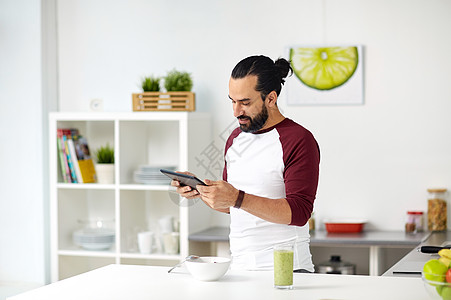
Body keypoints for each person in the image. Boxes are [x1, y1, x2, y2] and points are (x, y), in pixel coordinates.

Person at [172, 55, 320, 272]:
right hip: (240, 269)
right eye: (232, 101)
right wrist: (200, 191)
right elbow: (233, 206)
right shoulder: (235, 139)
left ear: (271, 98)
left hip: (288, 272)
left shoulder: (298, 139)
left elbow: (299, 213)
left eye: (245, 102)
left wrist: (237, 197)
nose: (236, 111)